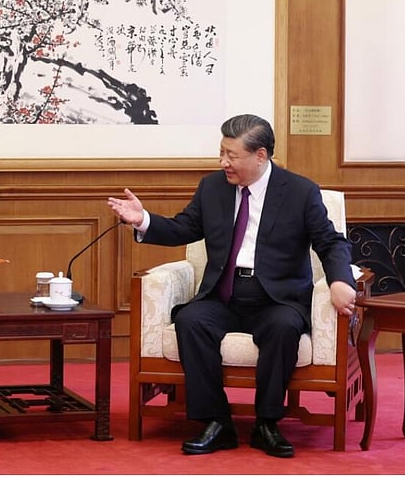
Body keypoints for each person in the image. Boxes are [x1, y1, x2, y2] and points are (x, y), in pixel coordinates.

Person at [107, 114, 357, 458]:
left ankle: (267, 423)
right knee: (191, 321)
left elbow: (331, 242)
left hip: (276, 299)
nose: (223, 162)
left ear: (260, 155)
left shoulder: (300, 192)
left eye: (232, 155)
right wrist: (143, 220)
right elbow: (184, 228)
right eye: (221, 153)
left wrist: (340, 281)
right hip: (224, 295)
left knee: (283, 328)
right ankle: (216, 422)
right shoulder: (212, 187)